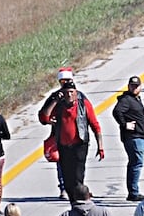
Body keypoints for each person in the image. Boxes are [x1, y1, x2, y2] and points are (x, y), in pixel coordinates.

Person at [39, 69, 106, 203]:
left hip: (80, 144)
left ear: (75, 92)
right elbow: (43, 117)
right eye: (65, 90)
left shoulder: (83, 102)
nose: (68, 94)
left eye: (71, 91)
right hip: (63, 145)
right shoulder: (56, 99)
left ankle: (80, 201)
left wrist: (100, 146)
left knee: (77, 176)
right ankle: (72, 201)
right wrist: (54, 101)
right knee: (67, 177)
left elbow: (95, 124)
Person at [112, 75, 144, 202]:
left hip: (140, 136)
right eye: (132, 85)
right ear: (128, 86)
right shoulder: (126, 99)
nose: (134, 87)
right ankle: (133, 192)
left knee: (135, 163)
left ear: (140, 87)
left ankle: (133, 191)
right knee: (136, 163)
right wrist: (124, 124)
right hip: (134, 137)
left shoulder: (135, 99)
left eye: (136, 86)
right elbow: (117, 111)